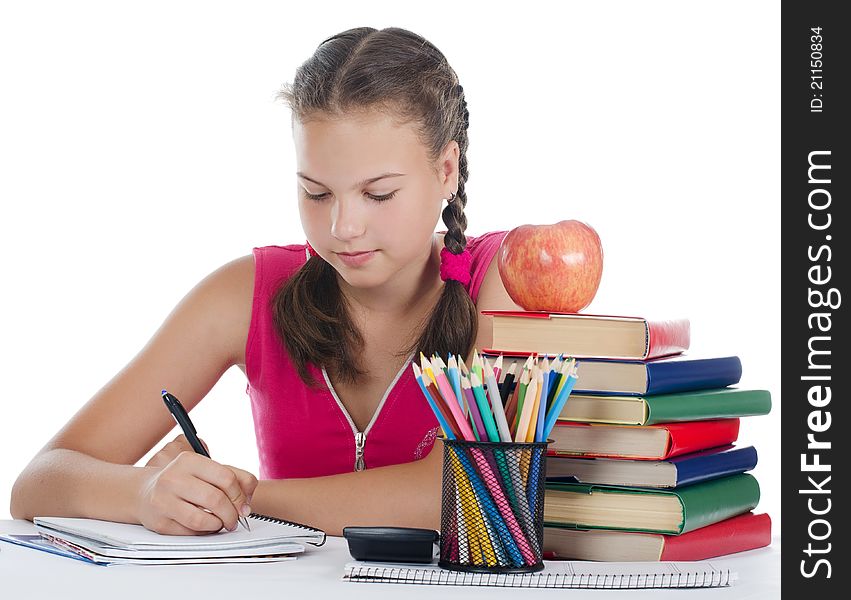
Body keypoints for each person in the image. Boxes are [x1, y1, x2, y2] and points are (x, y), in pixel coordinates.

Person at [10, 26, 521, 537]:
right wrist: (147, 492)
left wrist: (239, 494)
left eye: (379, 194)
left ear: (447, 170)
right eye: (316, 194)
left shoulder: (506, 277)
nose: (343, 227)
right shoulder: (246, 293)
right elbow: (38, 483)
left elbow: (467, 495)